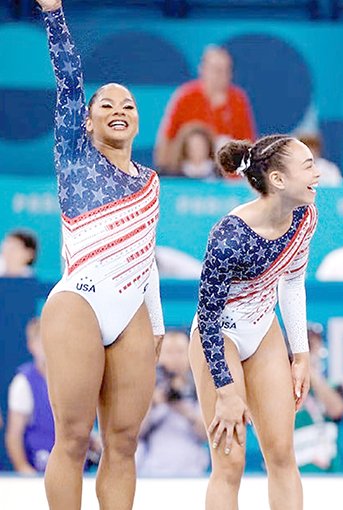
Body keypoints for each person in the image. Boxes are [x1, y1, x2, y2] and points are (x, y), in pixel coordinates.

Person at [36, 0, 165, 507]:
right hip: (79, 303)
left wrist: (155, 324)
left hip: (130, 311)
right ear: (86, 123)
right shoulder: (75, 157)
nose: (118, 110)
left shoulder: (151, 183)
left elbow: (145, 258)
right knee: (72, 438)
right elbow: (70, 83)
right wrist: (54, 13)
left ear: (137, 123)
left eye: (128, 105)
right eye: (106, 105)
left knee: (123, 442)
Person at [189, 134, 318, 509]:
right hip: (218, 337)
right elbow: (208, 319)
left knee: (281, 454)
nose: (318, 174)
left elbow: (292, 280)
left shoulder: (305, 215)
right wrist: (227, 392)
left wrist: (301, 354)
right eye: (308, 165)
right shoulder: (228, 238)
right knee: (230, 464)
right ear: (278, 180)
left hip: (263, 328)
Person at [154, 45, 256, 169]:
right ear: (203, 69)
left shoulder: (238, 99)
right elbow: (164, 145)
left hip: (226, 176)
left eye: (227, 70)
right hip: (188, 174)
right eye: (217, 70)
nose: (222, 75)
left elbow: (248, 145)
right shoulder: (185, 96)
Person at [136, 330, 209, 477]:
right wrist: (153, 403)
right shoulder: (145, 388)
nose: (175, 358)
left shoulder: (202, 388)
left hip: (192, 470)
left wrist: (183, 409)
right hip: (152, 471)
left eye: (180, 352)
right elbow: (135, 434)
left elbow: (207, 435)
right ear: (158, 356)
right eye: (169, 352)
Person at [292, 322, 343, 472]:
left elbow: (337, 410)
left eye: (312, 344)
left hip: (328, 472)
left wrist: (309, 370)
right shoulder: (282, 387)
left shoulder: (333, 385)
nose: (309, 350)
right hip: (293, 471)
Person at [5, 318, 53, 474]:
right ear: (31, 346)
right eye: (41, 341)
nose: (46, 347)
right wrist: (24, 470)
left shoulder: (74, 378)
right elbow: (14, 436)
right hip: (39, 469)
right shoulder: (23, 383)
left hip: (77, 468)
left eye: (50, 340)